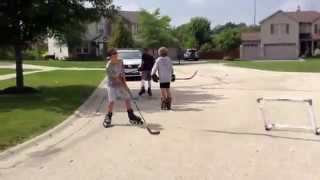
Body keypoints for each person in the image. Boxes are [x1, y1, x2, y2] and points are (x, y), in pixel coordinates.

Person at [103, 48, 143, 128]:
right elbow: (116, 78)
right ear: (110, 57)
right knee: (111, 101)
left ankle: (131, 115)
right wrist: (123, 85)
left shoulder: (120, 61)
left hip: (120, 82)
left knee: (127, 98)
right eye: (114, 54)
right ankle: (108, 117)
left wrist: (126, 85)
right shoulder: (108, 66)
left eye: (116, 54)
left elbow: (122, 74)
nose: (116, 56)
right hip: (112, 84)